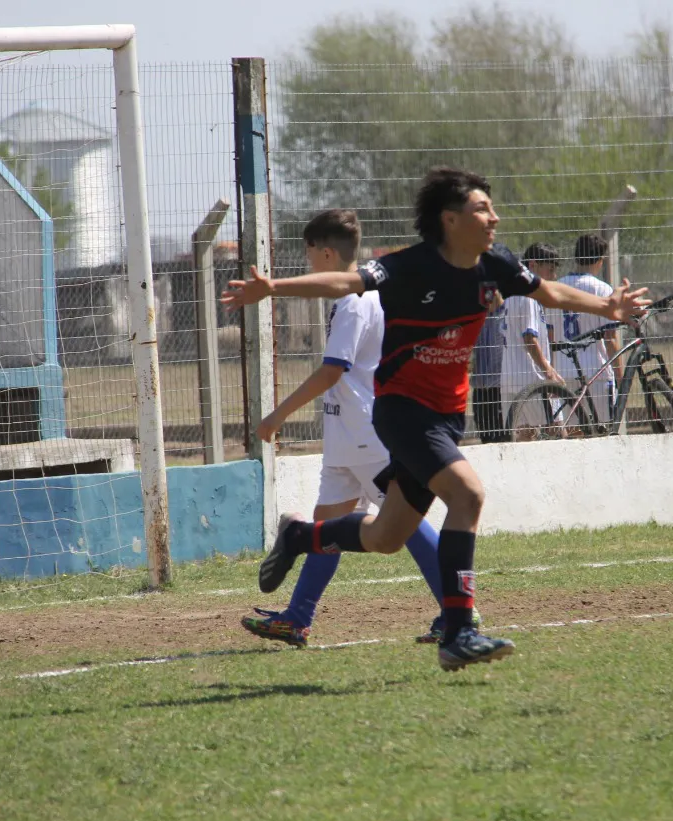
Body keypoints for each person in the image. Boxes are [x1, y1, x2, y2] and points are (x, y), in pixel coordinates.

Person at [221, 166, 649, 671]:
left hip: (448, 416)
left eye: (491, 207)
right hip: (403, 412)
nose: (494, 217)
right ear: (449, 220)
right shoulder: (411, 266)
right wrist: (274, 288)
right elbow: (346, 279)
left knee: (386, 537)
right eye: (481, 209)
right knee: (467, 495)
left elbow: (549, 294)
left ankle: (301, 536)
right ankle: (459, 631)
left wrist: (607, 307)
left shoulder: (496, 264)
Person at [239, 209, 457, 647]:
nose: (307, 265)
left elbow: (332, 371)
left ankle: (457, 614)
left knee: (406, 523)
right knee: (325, 525)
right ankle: (296, 618)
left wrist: (276, 416)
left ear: (324, 254)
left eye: (307, 256)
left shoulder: (356, 301)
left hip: (366, 430)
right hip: (346, 432)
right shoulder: (359, 297)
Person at [546, 233, 624, 426]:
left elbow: (550, 337)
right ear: (599, 260)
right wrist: (621, 378)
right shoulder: (602, 289)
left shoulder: (556, 288)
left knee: (574, 435)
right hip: (596, 373)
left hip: (564, 372)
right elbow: (610, 338)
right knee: (605, 431)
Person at [501, 243, 564, 441]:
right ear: (534, 265)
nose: (553, 276)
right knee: (557, 431)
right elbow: (529, 337)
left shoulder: (508, 292)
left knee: (524, 439)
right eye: (550, 269)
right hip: (531, 378)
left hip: (509, 377)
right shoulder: (528, 295)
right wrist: (548, 369)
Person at [469, 290, 507, 443]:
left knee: (501, 435)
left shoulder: (505, 315)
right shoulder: (477, 317)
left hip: (498, 387)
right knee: (484, 437)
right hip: (479, 387)